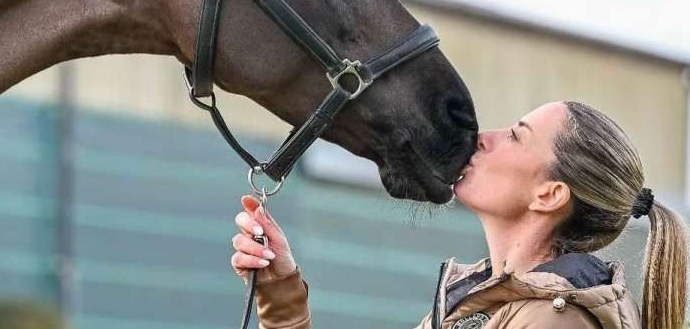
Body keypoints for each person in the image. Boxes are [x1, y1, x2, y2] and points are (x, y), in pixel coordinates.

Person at [230, 101, 689, 328]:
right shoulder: (482, 305)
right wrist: (280, 289)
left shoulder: (553, 320)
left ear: (549, 195)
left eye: (515, 135)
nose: (484, 137)